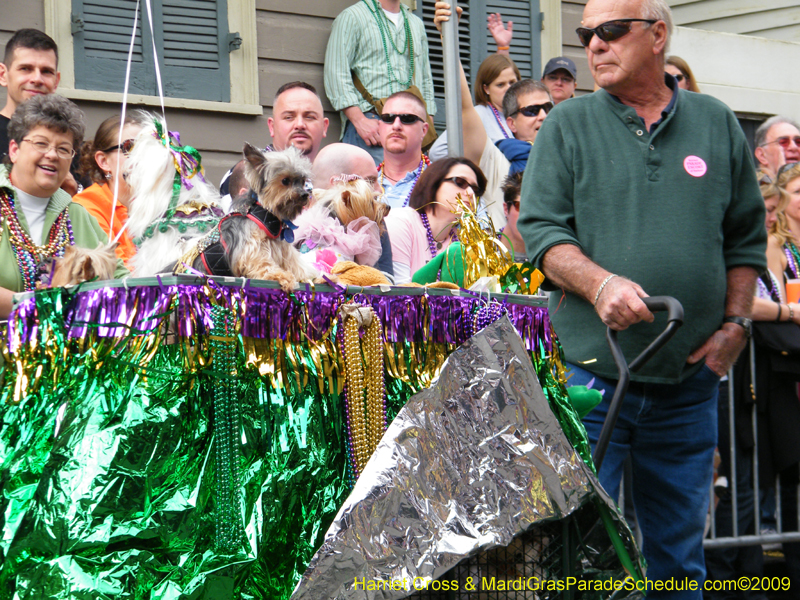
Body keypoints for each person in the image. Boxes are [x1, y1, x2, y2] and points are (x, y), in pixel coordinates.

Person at [517, 0, 767, 594]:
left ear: (657, 35)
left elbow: (745, 240)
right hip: (592, 378)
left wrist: (736, 327)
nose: (594, 45)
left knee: (679, 559)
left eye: (609, 31)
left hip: (689, 384)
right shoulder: (567, 124)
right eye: (586, 34)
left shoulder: (715, 120)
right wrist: (600, 284)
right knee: (579, 557)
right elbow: (543, 234)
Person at [0, 94, 127, 318]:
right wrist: (40, 309)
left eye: (63, 149)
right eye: (41, 143)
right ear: (14, 150)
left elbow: (123, 283)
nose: (52, 155)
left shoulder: (78, 216)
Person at [324, 0, 435, 164]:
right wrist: (360, 121)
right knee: (372, 189)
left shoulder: (415, 24)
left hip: (411, 129)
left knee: (412, 188)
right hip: (372, 126)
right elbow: (336, 73)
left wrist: (427, 125)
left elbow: (425, 78)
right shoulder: (352, 17)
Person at [428, 17, 521, 161]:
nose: (508, 89)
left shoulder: (523, 114)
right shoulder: (480, 114)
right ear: (486, 89)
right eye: (500, 85)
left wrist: (503, 48)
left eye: (512, 83)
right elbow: (437, 152)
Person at [384, 157, 485, 284]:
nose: (470, 193)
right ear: (434, 182)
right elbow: (401, 292)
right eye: (460, 182)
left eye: (476, 190)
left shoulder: (464, 241)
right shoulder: (400, 222)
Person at [219, 82, 329, 196]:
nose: (300, 124)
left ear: (324, 126)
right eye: (289, 117)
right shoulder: (247, 173)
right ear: (272, 127)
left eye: (310, 117)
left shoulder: (340, 175)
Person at [312, 143, 394, 278]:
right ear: (338, 184)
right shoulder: (293, 220)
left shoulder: (373, 220)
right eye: (369, 181)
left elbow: (385, 285)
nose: (379, 190)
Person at [73, 114, 143, 266]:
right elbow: (119, 273)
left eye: (147, 148)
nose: (143, 156)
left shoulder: (164, 203)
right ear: (104, 161)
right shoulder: (87, 207)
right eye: (130, 148)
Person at [0, 29, 60, 159]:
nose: (37, 79)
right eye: (25, 69)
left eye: (46, 71)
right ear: (3, 75)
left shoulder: (67, 144)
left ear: (56, 81)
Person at [375, 91, 431, 209]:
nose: (396, 126)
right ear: (379, 127)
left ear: (424, 130)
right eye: (388, 118)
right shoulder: (362, 185)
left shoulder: (441, 184)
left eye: (407, 118)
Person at [754, 116, 800, 183]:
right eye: (783, 142)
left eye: (798, 142)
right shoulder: (750, 187)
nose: (794, 147)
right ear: (762, 155)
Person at [498, 172, 526, 262]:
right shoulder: (481, 252)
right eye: (521, 207)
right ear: (506, 209)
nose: (529, 215)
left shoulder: (550, 260)